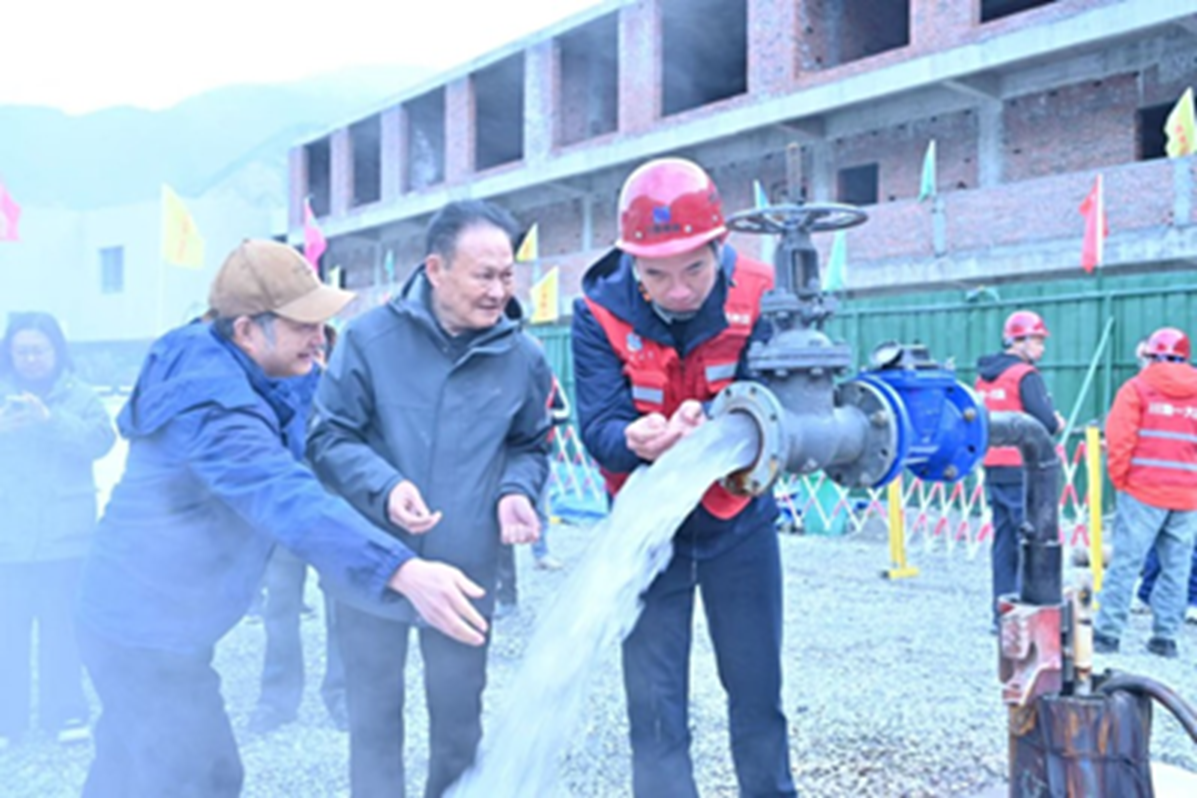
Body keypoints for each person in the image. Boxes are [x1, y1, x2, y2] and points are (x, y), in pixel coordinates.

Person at [75, 240, 490, 798]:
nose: (320, 337)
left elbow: (327, 436)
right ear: (247, 329)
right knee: (205, 776)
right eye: (303, 325)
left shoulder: (263, 371)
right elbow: (283, 492)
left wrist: (387, 487)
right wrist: (401, 569)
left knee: (127, 770)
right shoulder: (210, 404)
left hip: (167, 624)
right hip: (140, 628)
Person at [307, 200, 553, 798]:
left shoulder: (522, 357)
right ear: (436, 269)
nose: (498, 291)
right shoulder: (370, 339)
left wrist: (516, 491)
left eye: (506, 275)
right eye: (483, 275)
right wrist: (386, 486)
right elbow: (328, 437)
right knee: (372, 722)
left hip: (466, 568)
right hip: (372, 563)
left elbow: (530, 445)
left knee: (460, 724)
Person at [571, 157, 797, 798]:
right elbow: (599, 425)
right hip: (647, 524)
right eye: (656, 274)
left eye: (695, 269)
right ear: (631, 263)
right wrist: (632, 440)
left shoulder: (761, 293)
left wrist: (724, 427)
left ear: (720, 246)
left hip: (738, 519)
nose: (678, 290)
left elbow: (780, 405)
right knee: (654, 707)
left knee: (757, 692)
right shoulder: (598, 310)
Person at [0, 312, 115, 748]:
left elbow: (100, 442)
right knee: (6, 636)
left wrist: (50, 421)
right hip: (6, 540)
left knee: (62, 632)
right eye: (22, 351)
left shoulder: (80, 396)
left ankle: (65, 712)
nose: (31, 359)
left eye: (39, 350)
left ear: (57, 351)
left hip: (65, 541)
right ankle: (6, 720)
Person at [248, 324, 348, 735]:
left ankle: (341, 695)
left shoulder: (340, 381)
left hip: (331, 506)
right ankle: (277, 699)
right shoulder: (272, 380)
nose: (313, 345)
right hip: (286, 511)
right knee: (280, 606)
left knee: (340, 608)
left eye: (320, 340)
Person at [1094, 327, 1197, 658]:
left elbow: (1119, 438)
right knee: (1177, 567)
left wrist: (1121, 480)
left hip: (1143, 490)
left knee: (1126, 562)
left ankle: (1108, 634)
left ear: (1151, 355)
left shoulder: (1136, 388)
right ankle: (1165, 638)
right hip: (1187, 495)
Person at [975, 310, 1065, 628]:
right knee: (1032, 540)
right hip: (1023, 466)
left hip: (993, 464)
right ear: (1019, 341)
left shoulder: (984, 378)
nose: (1041, 347)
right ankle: (1028, 614)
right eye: (1037, 340)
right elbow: (1044, 422)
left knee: (1003, 541)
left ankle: (1001, 612)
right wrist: (1057, 422)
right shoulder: (1025, 376)